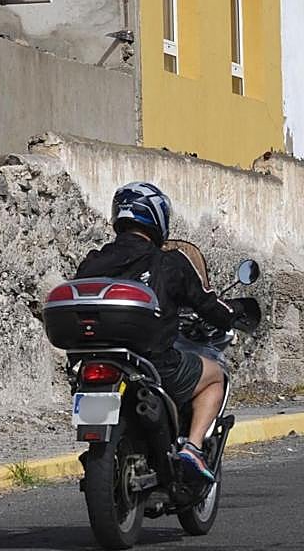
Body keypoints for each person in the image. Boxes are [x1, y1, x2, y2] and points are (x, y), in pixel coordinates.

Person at [75, 181, 235, 482]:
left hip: (101, 360)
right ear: (157, 217)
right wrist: (232, 315)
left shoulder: (94, 260)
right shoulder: (170, 262)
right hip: (157, 365)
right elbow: (206, 302)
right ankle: (193, 446)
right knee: (216, 377)